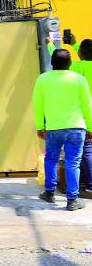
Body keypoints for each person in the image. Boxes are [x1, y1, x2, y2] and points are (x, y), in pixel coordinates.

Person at [33, 48, 91, 210]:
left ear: (52, 63)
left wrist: (39, 126)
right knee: (73, 163)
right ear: (70, 63)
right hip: (76, 128)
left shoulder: (43, 79)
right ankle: (72, 200)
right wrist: (91, 127)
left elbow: (38, 105)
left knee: (51, 159)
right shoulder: (79, 79)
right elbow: (87, 105)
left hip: (54, 128)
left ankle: (49, 193)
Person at [47, 35, 92, 198]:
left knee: (87, 150)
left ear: (80, 54)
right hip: (86, 115)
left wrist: (50, 44)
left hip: (84, 115)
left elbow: (60, 61)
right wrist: (75, 43)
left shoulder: (78, 69)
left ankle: (90, 185)